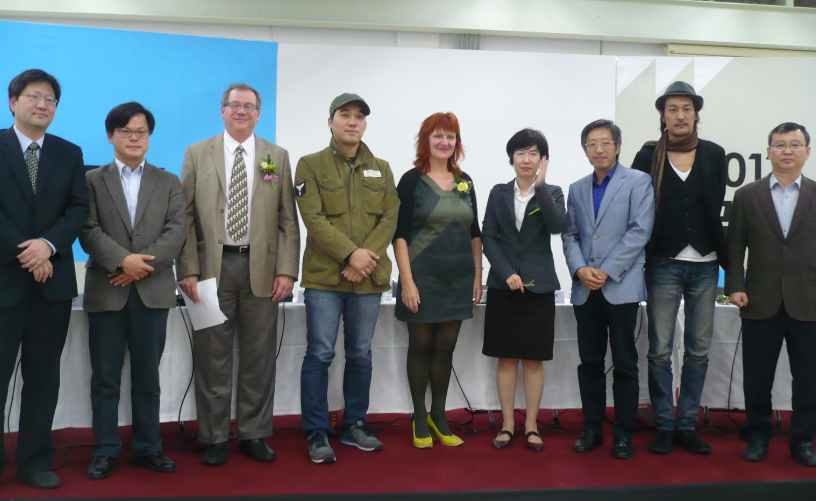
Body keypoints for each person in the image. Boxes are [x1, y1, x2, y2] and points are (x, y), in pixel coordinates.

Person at [176, 83, 300, 466]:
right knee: (212, 357)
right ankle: (213, 436)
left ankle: (254, 433)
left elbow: (287, 221)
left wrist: (287, 271)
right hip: (210, 270)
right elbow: (185, 217)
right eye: (235, 105)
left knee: (259, 357)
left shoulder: (276, 156)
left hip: (261, 270)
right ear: (223, 110)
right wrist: (188, 270)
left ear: (259, 113)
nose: (242, 111)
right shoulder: (197, 153)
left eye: (249, 106)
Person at [79, 102, 185, 479]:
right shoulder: (92, 179)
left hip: (153, 292)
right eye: (126, 131)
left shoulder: (168, 181)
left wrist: (140, 266)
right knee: (104, 378)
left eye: (141, 131)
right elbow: (88, 229)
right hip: (107, 289)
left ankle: (147, 448)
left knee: (148, 378)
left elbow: (177, 232)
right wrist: (122, 261)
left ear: (149, 138)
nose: (134, 137)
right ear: (111, 136)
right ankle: (105, 451)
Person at [295, 93, 399, 464]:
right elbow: (314, 219)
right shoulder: (309, 165)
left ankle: (355, 424)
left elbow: (390, 217)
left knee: (360, 355)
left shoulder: (382, 169)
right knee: (320, 354)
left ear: (365, 125)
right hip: (325, 279)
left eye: (359, 117)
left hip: (367, 279)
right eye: (344, 115)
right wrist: (350, 254)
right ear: (331, 122)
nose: (352, 122)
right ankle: (317, 431)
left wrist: (363, 260)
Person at [0, 69, 88, 490]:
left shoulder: (69, 153)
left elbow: (76, 210)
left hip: (52, 284)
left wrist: (48, 245)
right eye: (34, 97)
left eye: (50, 99)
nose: (42, 105)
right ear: (13, 101)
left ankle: (34, 461)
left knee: (43, 377)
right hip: (4, 281)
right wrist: (29, 251)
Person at [631, 81, 727, 455]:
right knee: (659, 349)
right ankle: (664, 422)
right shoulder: (646, 157)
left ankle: (687, 424)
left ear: (695, 114)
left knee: (699, 350)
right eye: (673, 109)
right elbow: (638, 211)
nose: (680, 115)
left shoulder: (714, 154)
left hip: (705, 265)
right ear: (663, 115)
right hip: (662, 263)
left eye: (686, 108)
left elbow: (714, 203)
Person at [562, 119, 654, 459]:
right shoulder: (576, 187)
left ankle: (624, 433)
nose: (598, 149)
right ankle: (591, 429)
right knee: (589, 362)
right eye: (591, 144)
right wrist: (580, 269)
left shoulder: (638, 182)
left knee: (626, 362)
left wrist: (606, 270)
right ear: (585, 149)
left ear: (617, 146)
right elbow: (570, 234)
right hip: (586, 288)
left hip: (620, 287)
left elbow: (639, 231)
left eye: (604, 143)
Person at [726, 123, 816, 467]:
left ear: (807, 152)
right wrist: (734, 285)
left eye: (795, 145)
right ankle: (758, 436)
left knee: (808, 378)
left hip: (809, 302)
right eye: (780, 144)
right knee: (757, 378)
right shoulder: (747, 195)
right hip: (759, 300)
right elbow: (734, 247)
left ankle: (803, 439)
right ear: (768, 151)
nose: (787, 151)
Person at [393, 112, 483, 449]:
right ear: (426, 141)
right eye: (438, 136)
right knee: (420, 346)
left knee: (445, 348)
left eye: (450, 137)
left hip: (458, 277)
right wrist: (407, 281)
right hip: (421, 276)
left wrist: (478, 275)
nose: (445, 142)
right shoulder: (411, 180)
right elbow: (398, 236)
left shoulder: (466, 180)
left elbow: (476, 233)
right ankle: (419, 416)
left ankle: (439, 415)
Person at [481, 128, 567, 451]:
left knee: (533, 360)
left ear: (542, 160)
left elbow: (558, 225)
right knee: (506, 359)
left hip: (539, 287)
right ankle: (507, 424)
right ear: (511, 159)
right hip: (504, 288)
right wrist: (505, 274)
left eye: (533, 154)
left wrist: (541, 187)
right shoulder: (498, 193)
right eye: (520, 153)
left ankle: (531, 425)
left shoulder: (553, 192)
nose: (526, 160)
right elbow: (489, 237)